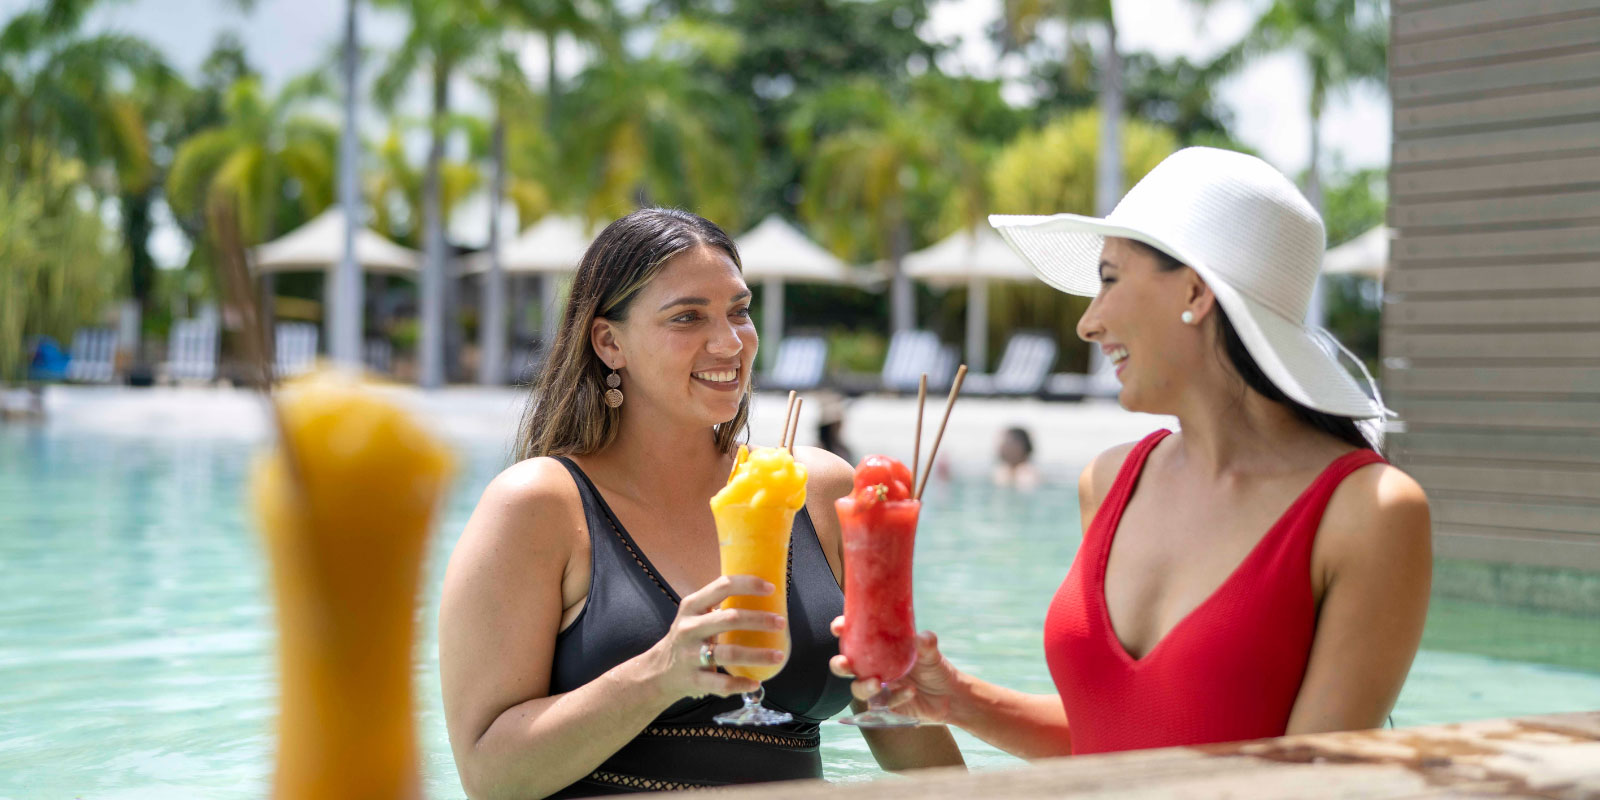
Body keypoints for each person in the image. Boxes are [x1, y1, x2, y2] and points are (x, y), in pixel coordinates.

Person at [831, 147, 1433, 757]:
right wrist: (956, 698)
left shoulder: (1370, 511)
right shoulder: (1112, 480)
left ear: (1195, 293)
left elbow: (1314, 783)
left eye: (1109, 279)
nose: (1087, 324)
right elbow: (1110, 733)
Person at [438, 208, 961, 799]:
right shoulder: (540, 506)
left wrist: (907, 686)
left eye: (740, 311)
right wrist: (660, 674)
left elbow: (906, 746)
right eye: (687, 317)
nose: (729, 342)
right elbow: (489, 778)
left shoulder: (818, 491)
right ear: (610, 342)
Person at [991, 426, 1040, 490]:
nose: (1000, 447)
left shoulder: (1026, 475)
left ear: (1021, 446)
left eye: (1006, 442)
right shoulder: (1002, 471)